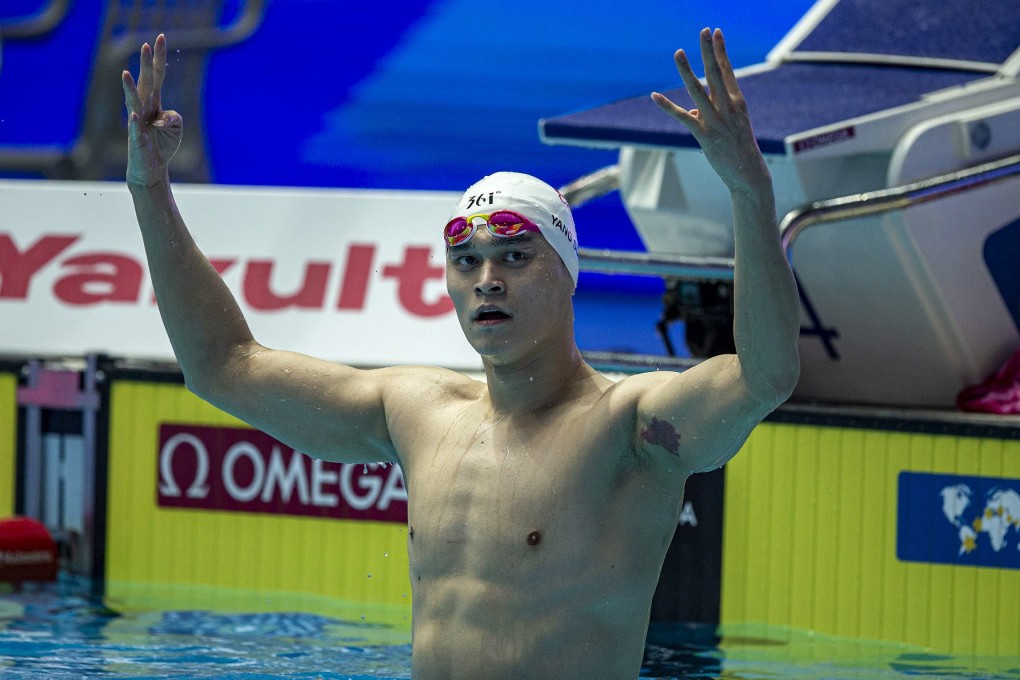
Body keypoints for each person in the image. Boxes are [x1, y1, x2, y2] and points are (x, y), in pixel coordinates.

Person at [122, 27, 800, 680]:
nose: (488, 281)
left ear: (568, 272)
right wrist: (149, 191)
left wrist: (749, 190)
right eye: (466, 261)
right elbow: (222, 366)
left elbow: (764, 376)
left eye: (514, 255)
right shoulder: (416, 412)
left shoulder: (629, 427)